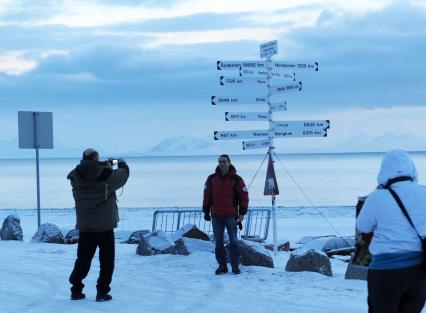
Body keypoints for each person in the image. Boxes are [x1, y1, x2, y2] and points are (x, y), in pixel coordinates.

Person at [356, 149, 426, 313]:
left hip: (385, 273)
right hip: (419, 273)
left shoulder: (376, 197)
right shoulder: (424, 193)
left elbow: (363, 226)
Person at [67, 148, 129, 302]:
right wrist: (122, 163)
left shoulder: (75, 175)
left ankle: (76, 290)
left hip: (85, 226)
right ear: (96, 159)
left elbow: (87, 171)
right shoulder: (105, 175)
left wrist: (100, 164)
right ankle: (102, 292)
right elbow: (123, 176)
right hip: (104, 227)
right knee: (106, 262)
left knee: (83, 259)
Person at [203, 154, 249, 275]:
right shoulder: (211, 179)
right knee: (218, 242)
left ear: (229, 162)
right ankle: (222, 266)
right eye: (220, 162)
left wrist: (242, 213)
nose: (222, 164)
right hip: (216, 215)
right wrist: (206, 211)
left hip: (231, 215)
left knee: (233, 241)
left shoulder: (237, 179)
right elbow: (206, 196)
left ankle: (235, 266)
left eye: (224, 161)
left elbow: (244, 197)